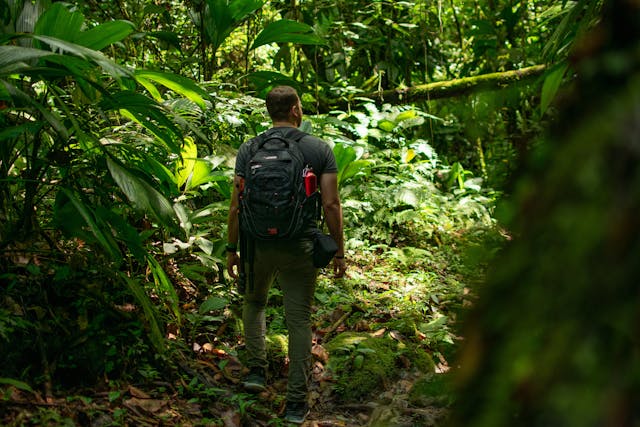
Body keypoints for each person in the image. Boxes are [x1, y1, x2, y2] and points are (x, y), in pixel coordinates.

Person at [226, 86, 347, 424]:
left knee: (254, 304)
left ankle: (255, 372)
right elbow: (330, 204)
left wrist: (231, 249)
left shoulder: (249, 148)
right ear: (295, 109)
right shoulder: (318, 148)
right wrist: (338, 250)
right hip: (300, 247)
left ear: (269, 112)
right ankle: (295, 403)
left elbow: (236, 204)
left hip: (255, 245)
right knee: (298, 321)